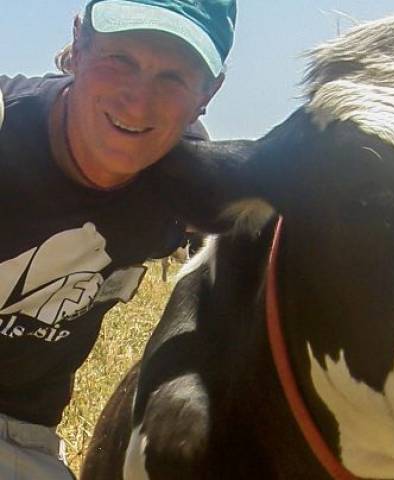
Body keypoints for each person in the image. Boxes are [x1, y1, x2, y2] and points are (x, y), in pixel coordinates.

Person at [0, 0, 236, 477]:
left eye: (173, 77)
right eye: (120, 60)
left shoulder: (188, 183)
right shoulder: (5, 126)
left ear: (209, 91)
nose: (137, 100)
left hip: (18, 434)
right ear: (79, 45)